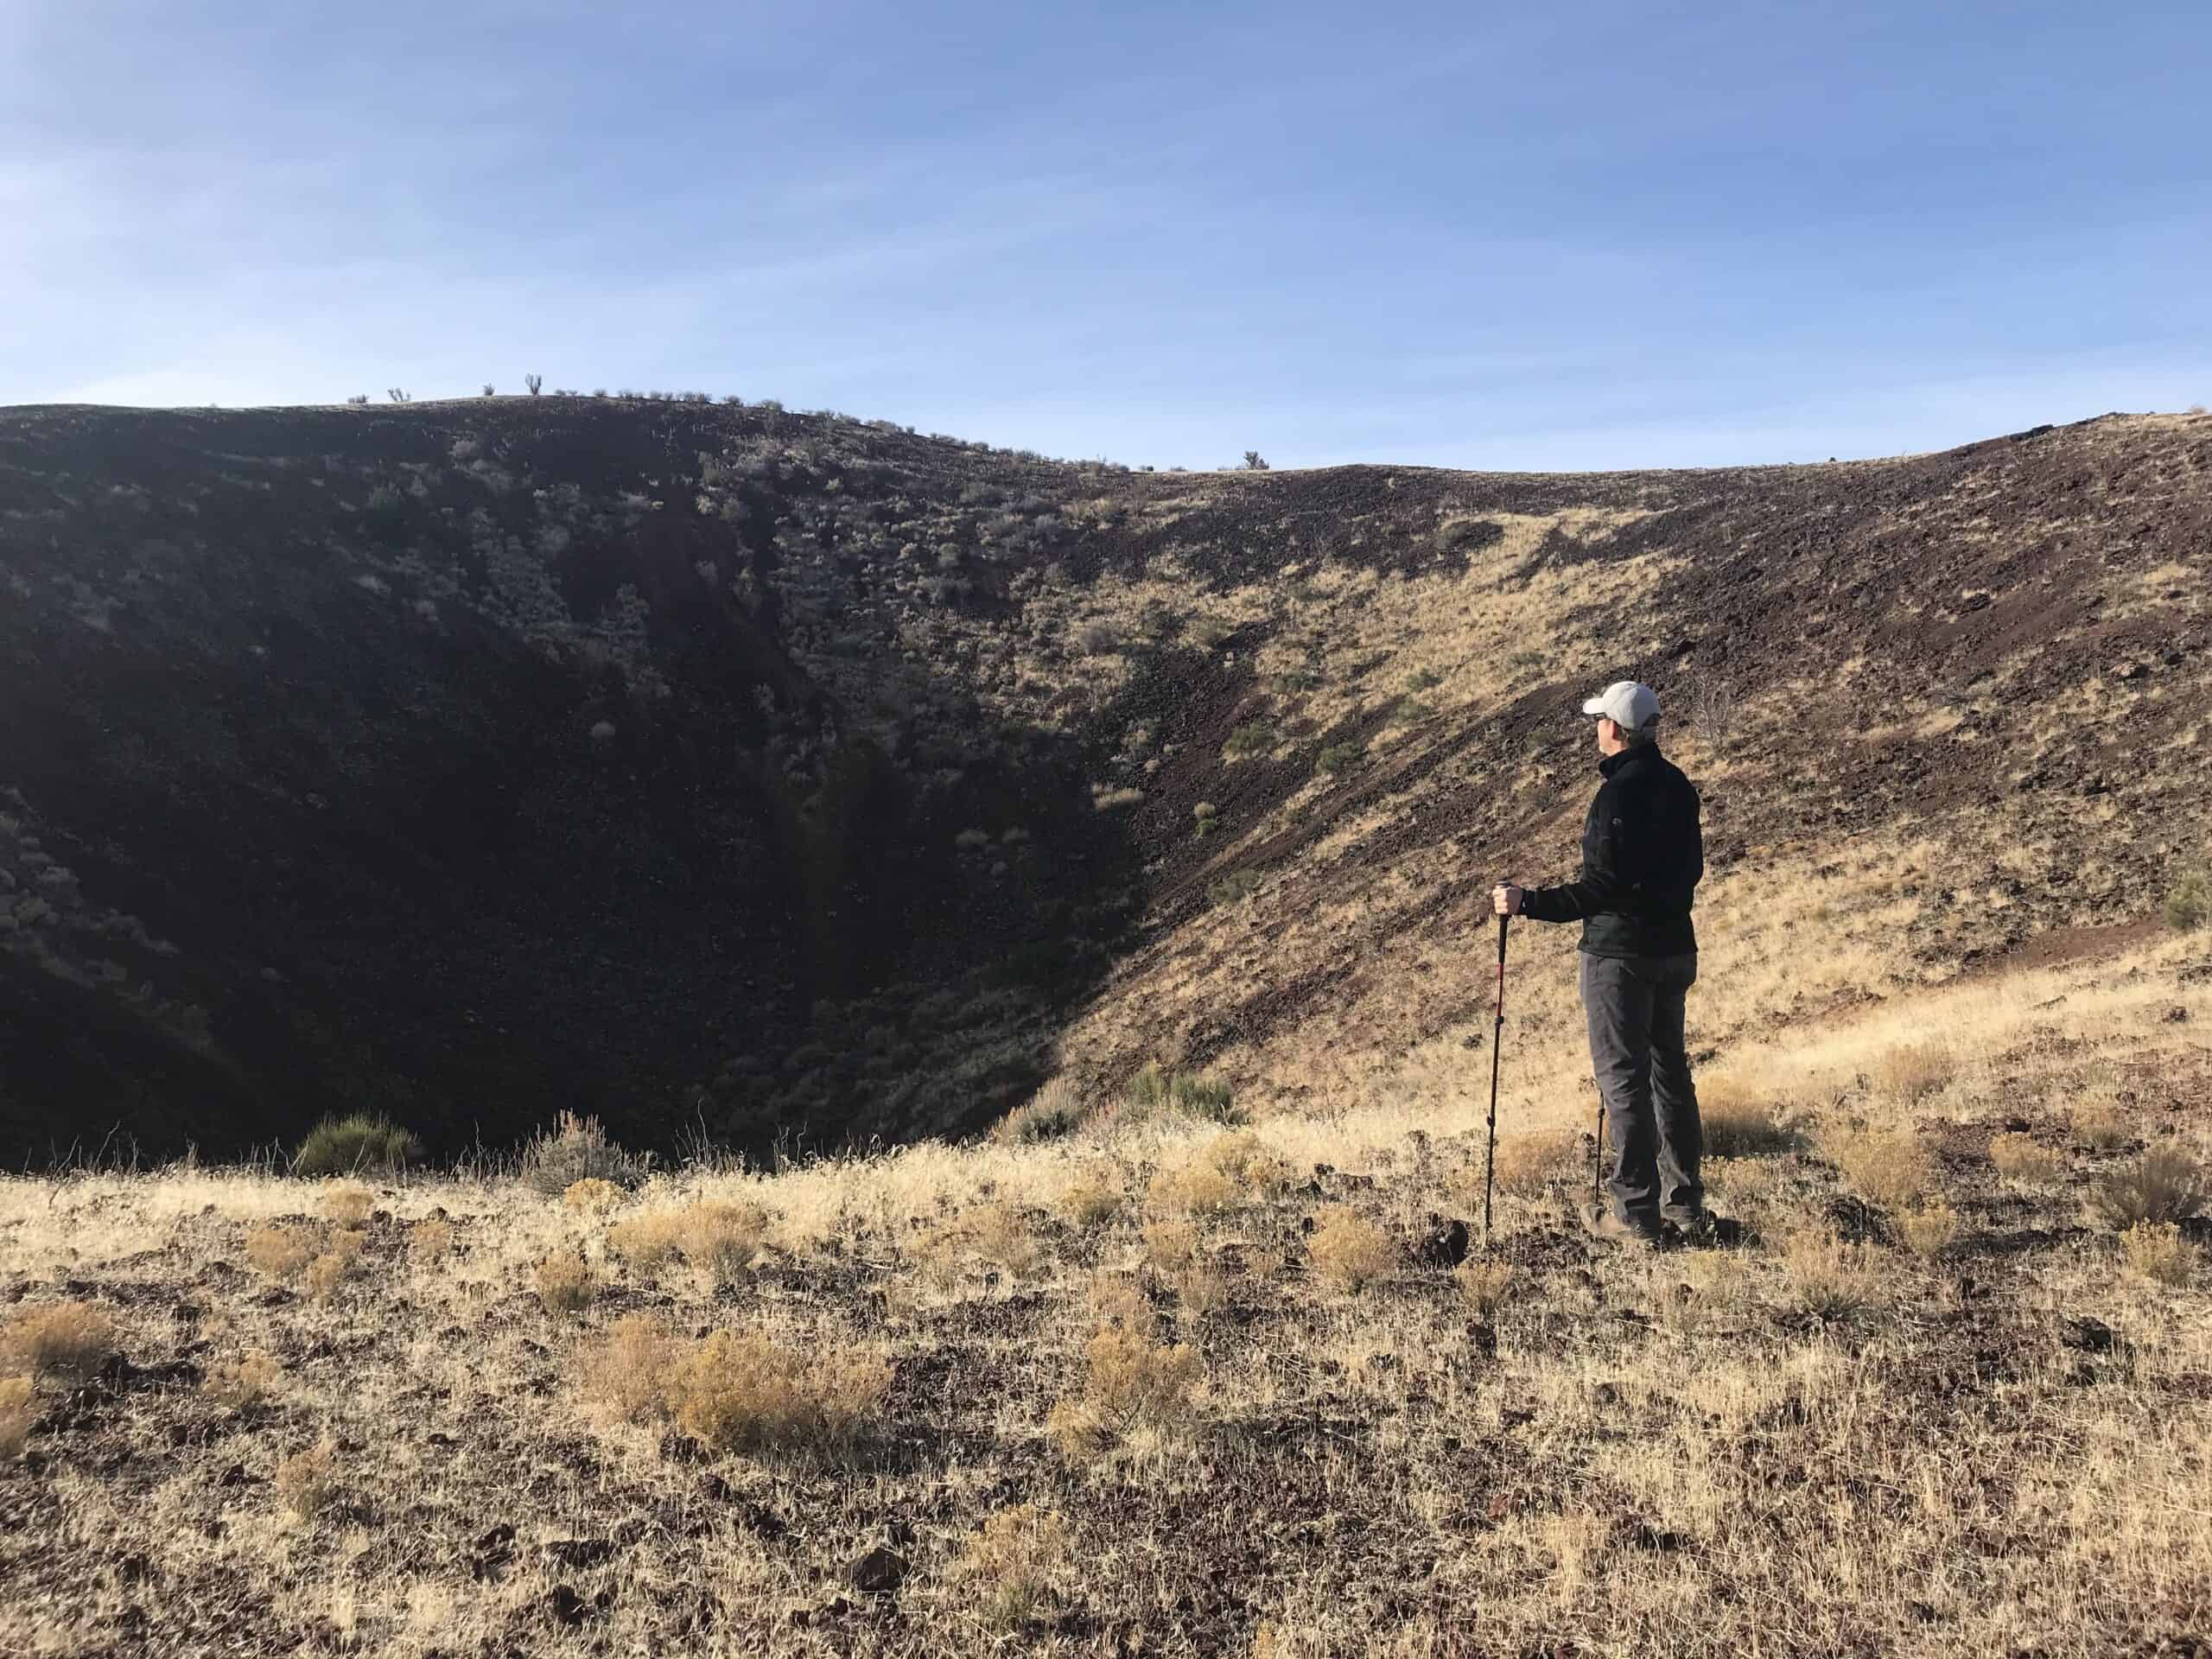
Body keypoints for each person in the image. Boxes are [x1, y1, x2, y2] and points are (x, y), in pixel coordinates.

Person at [1491, 682, 1709, 1247]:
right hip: (1675, 951)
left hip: (1620, 959)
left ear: (1614, 727)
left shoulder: (1615, 797)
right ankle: (1683, 1204)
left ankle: (1635, 1214)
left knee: (1624, 1083)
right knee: (1671, 1077)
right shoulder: (1680, 787)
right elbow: (1692, 873)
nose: (1595, 730)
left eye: (1598, 721)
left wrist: (1527, 903)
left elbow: (1599, 889)